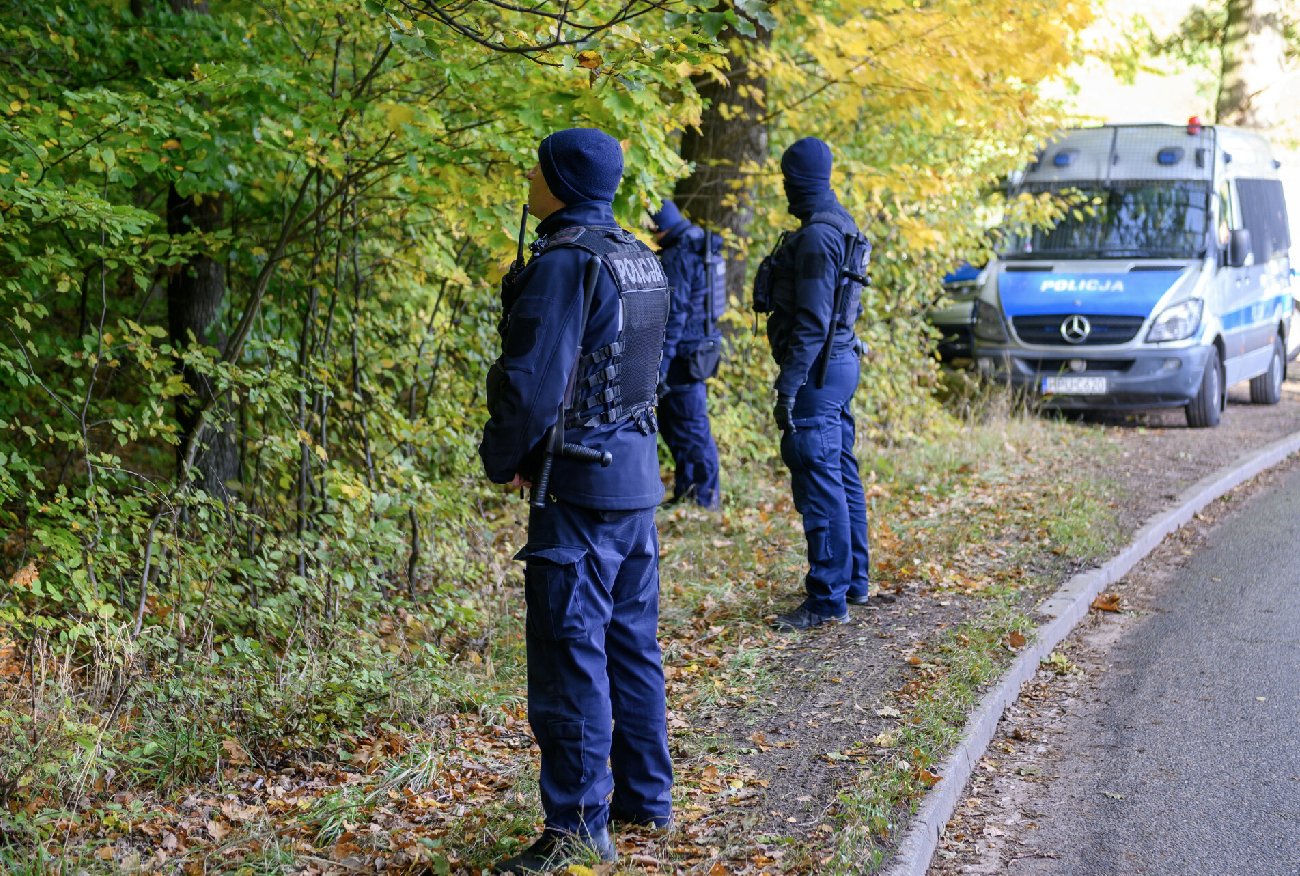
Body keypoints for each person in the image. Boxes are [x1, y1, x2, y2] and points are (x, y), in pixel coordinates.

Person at [479, 127, 674, 873]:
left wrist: (506, 461)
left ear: (562, 178)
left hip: (580, 493)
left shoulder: (566, 265)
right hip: (634, 483)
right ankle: (646, 797)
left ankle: (578, 830)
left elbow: (532, 386)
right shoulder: (639, 259)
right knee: (631, 644)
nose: (529, 177)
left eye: (538, 167)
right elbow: (654, 367)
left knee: (570, 656)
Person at [761, 137, 873, 631]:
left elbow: (811, 321)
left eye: (787, 179)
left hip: (818, 372)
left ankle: (828, 598)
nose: (785, 189)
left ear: (797, 180)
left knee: (818, 476)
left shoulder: (815, 238)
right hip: (840, 364)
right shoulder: (841, 224)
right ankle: (853, 582)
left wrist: (789, 384)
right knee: (841, 472)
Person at [649, 200, 723, 509]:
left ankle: (704, 500)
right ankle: (688, 492)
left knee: (691, 429)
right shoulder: (697, 245)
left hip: (683, 356)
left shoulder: (679, 255)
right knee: (679, 426)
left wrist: (660, 370)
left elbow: (674, 317)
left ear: (660, 227)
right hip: (699, 349)